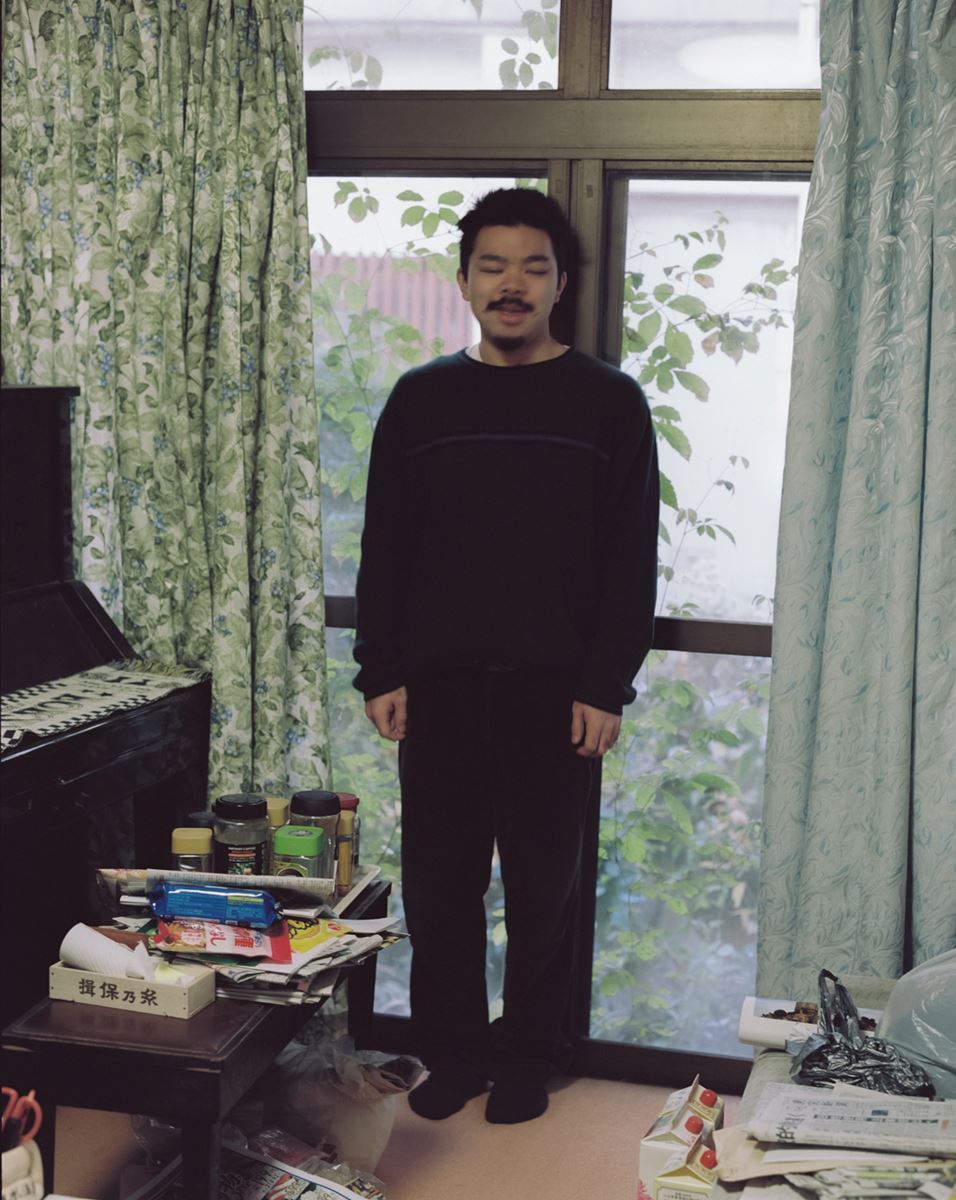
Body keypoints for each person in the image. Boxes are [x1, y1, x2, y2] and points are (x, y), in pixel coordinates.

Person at [353, 187, 658, 1124]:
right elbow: (385, 544)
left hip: (555, 697)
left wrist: (605, 685)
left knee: (542, 895)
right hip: (438, 692)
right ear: (464, 282)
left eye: (532, 267)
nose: (511, 284)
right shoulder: (421, 398)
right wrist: (380, 668)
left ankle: (528, 1059)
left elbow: (628, 557)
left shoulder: (609, 402)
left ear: (560, 285)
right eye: (492, 266)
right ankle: (452, 1056)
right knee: (440, 891)